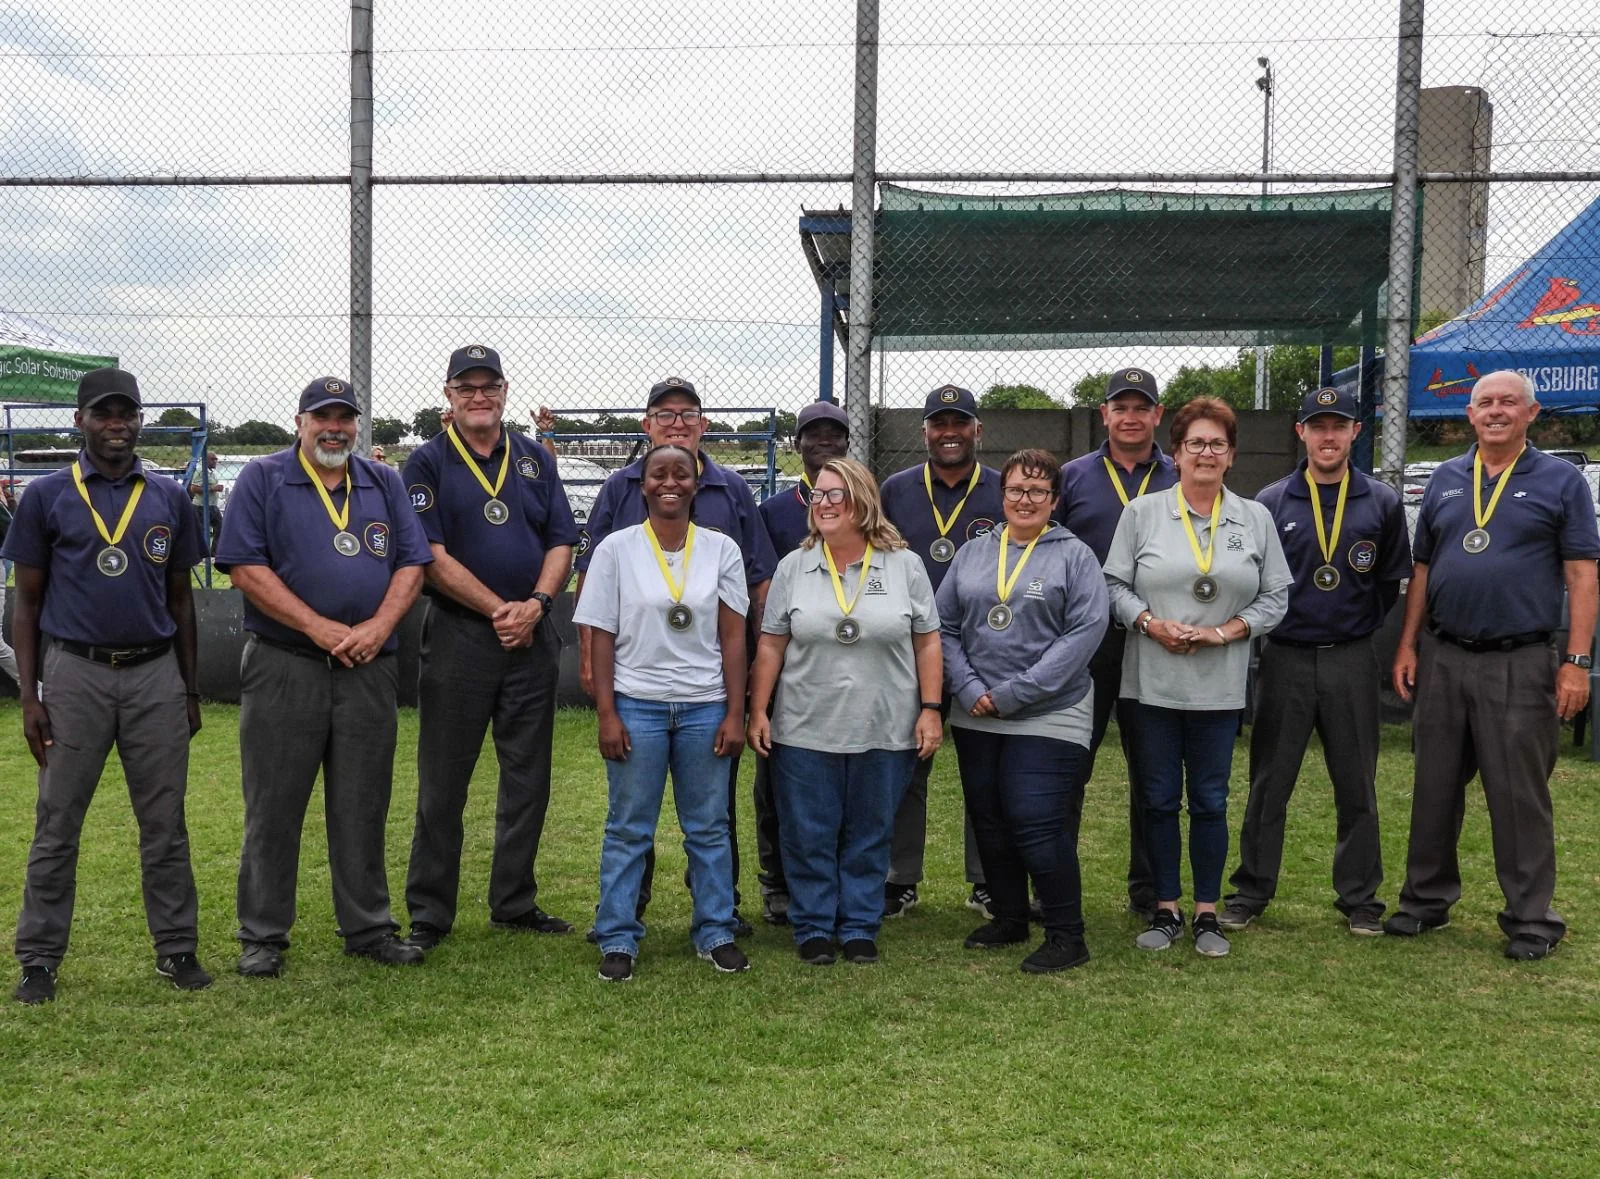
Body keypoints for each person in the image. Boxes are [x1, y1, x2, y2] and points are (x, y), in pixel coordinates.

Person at [216, 376, 433, 978]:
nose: (334, 428)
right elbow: (243, 566)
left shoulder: (384, 480)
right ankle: (263, 934)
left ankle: (367, 927)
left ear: (357, 425)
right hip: (287, 662)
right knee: (274, 804)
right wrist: (318, 627)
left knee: (363, 802)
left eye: (345, 418)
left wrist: (375, 628)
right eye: (322, 417)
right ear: (300, 421)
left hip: (369, 665)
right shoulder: (263, 477)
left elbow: (413, 563)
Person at [6, 368, 208, 1004]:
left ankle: (176, 949)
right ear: (80, 421)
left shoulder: (169, 497)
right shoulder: (46, 496)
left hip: (153, 676)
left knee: (165, 824)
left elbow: (182, 601)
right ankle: (38, 959)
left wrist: (190, 689)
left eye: (126, 413)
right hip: (75, 674)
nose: (116, 424)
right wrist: (32, 693)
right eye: (103, 413)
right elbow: (26, 602)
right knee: (58, 821)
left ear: (140, 420)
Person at [1389, 370, 1599, 960]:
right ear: (1470, 413)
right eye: (1485, 403)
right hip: (1447, 654)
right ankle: (1425, 901)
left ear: (1532, 413)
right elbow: (1424, 569)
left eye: (1509, 402)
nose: (1496, 411)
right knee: (1434, 786)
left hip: (1521, 657)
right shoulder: (1448, 479)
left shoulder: (1562, 481)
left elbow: (1582, 574)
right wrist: (1408, 645)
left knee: (1518, 794)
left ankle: (1531, 918)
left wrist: (1577, 661)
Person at [572, 376, 777, 936]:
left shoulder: (730, 503)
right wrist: (603, 697)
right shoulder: (618, 500)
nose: (678, 422)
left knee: (710, 824)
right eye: (666, 413)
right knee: (629, 825)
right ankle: (618, 925)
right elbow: (598, 602)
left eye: (688, 413)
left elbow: (743, 616)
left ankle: (717, 922)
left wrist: (743, 702)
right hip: (637, 696)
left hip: (705, 700)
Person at [400, 345, 579, 951]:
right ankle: (430, 912)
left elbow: (561, 540)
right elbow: (428, 556)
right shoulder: (426, 462)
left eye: (489, 386)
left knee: (528, 777)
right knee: (443, 780)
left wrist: (537, 605)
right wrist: (498, 610)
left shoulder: (532, 458)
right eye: (466, 386)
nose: (479, 396)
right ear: (448, 394)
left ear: (505, 390)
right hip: (460, 635)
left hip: (533, 635)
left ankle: (514, 901)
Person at [1104, 397, 1291, 958]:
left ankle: (1207, 910)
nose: (1205, 453)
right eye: (1195, 444)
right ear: (1176, 454)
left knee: (1210, 799)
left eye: (1217, 444)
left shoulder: (1254, 517)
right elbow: (1113, 586)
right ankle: (1165, 907)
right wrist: (1148, 622)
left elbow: (1277, 594)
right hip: (1151, 681)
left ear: (1231, 455)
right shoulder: (1142, 513)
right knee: (1158, 799)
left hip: (1219, 683)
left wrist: (1227, 631)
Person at [1221, 387, 1410, 936]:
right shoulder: (1272, 501)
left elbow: (1387, 584)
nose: (1328, 436)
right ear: (1300, 432)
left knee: (1357, 784)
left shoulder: (1381, 501)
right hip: (1286, 657)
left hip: (1352, 657)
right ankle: (1251, 891)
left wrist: (1354, 634)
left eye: (1339, 425)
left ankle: (1360, 899)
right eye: (1317, 426)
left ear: (1356, 432)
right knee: (1269, 783)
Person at [748, 457, 943, 966]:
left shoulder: (905, 565)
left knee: (870, 831)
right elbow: (770, 645)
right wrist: (758, 710)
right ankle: (812, 924)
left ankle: (858, 924)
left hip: (885, 726)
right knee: (807, 832)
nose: (825, 504)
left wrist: (930, 708)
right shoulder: (795, 566)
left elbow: (927, 643)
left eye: (836, 494)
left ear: (862, 500)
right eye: (818, 496)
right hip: (806, 727)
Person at [937, 448, 1108, 973]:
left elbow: (1084, 633)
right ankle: (1010, 918)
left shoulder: (1074, 556)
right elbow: (942, 625)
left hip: (1049, 711)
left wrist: (1014, 693)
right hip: (977, 709)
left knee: (1034, 817)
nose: (1025, 499)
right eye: (1016, 490)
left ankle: (1066, 934)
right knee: (989, 818)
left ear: (1054, 500)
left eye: (1037, 491)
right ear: (1003, 494)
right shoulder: (974, 552)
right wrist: (966, 686)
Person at [1053, 366, 1175, 921]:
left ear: (1157, 415)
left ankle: (1149, 888)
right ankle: (1054, 884)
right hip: (1088, 642)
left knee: (1153, 772)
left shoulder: (1181, 475)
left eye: (1140, 407)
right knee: (1069, 764)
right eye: (1119, 407)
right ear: (1104, 415)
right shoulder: (1074, 477)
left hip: (1158, 639)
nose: (1130, 417)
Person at [878, 384, 1000, 918]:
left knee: (985, 769)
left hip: (984, 650)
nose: (949, 432)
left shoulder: (1002, 489)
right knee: (908, 765)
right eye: (938, 423)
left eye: (960, 422)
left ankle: (988, 878)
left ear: (978, 429)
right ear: (924, 431)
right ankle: (899, 877)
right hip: (910, 649)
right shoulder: (896, 490)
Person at [751, 399, 852, 926]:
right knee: (777, 782)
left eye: (834, 434)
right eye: (813, 435)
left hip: (850, 665)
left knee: (843, 780)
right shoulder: (773, 513)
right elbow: (763, 597)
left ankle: (836, 880)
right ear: (797, 445)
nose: (824, 442)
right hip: (790, 666)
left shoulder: (864, 507)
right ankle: (778, 881)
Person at [188, 451, 223, 559]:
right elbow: (193, 488)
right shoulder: (200, 471)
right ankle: (201, 554)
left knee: (221, 527)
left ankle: (214, 552)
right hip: (201, 506)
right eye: (213, 459)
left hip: (212, 505)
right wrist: (212, 488)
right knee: (202, 531)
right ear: (206, 460)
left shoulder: (212, 472)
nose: (215, 461)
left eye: (216, 459)